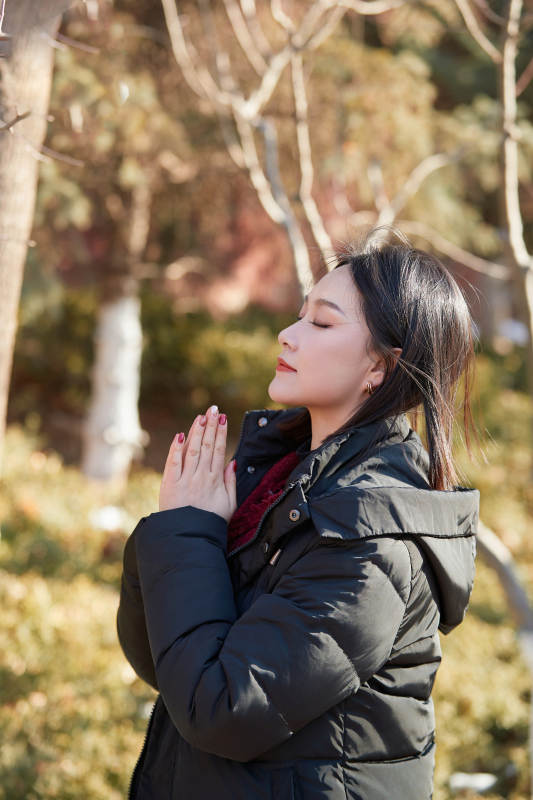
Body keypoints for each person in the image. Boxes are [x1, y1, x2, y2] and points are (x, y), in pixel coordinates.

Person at [117, 235, 479, 800]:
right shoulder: (277, 483)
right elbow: (171, 668)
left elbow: (222, 708)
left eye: (323, 323)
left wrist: (188, 534)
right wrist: (189, 532)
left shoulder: (372, 542)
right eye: (299, 315)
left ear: (381, 367)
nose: (287, 334)